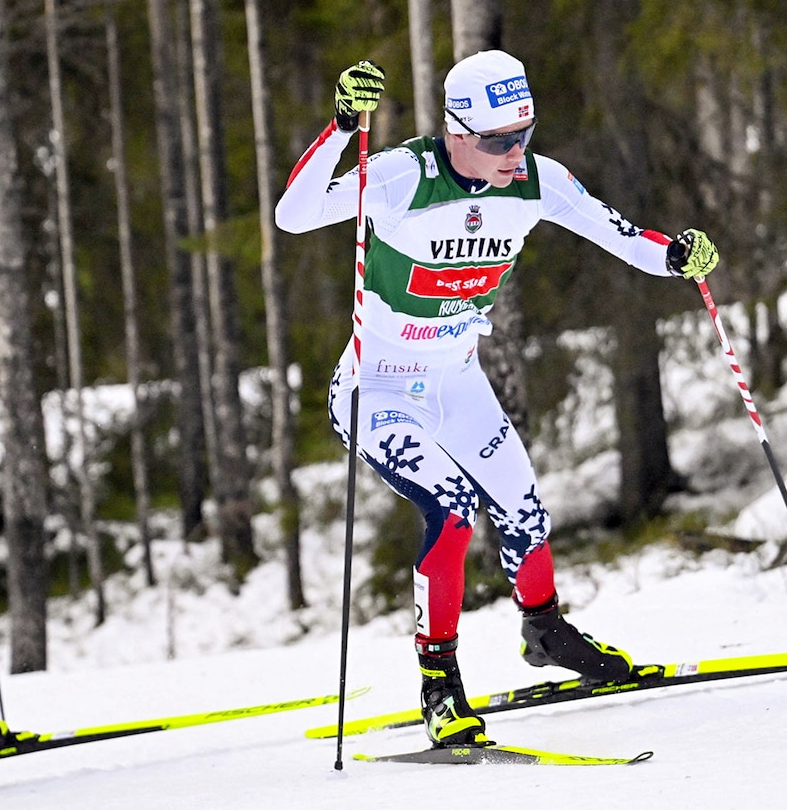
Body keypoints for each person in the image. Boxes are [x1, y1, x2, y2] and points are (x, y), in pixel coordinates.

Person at [275, 52, 719, 747]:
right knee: (451, 511)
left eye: (525, 133)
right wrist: (338, 127)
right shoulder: (401, 176)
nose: (516, 153)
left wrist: (675, 255)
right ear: (455, 133)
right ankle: (438, 685)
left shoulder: (537, 182)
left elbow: (620, 234)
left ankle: (544, 631)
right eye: (497, 141)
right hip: (377, 388)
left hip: (455, 378)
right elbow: (293, 215)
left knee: (522, 502)